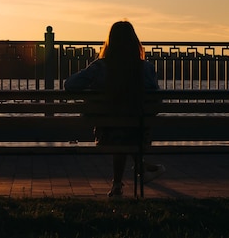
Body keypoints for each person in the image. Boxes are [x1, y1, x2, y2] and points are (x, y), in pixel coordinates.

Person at [64, 21, 165, 198]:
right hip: (139, 131)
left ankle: (119, 184)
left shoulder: (100, 67)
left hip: (107, 133)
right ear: (135, 42)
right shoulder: (146, 68)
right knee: (127, 127)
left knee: (120, 129)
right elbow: (155, 100)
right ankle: (139, 169)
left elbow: (70, 85)